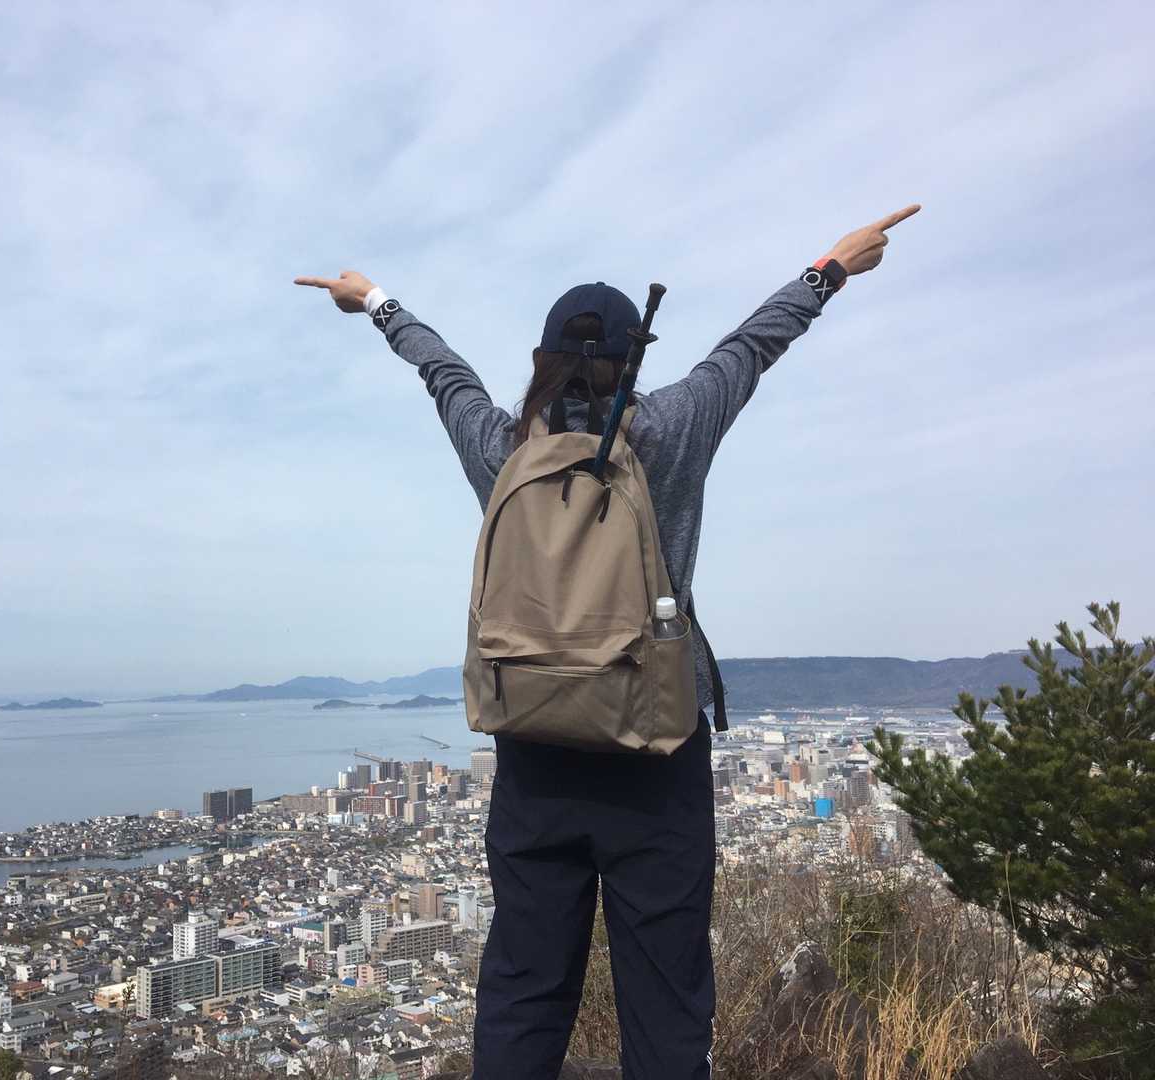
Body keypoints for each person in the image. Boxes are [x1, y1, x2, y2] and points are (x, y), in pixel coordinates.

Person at [296, 203, 920, 1080]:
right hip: (655, 750)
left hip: (534, 749)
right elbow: (750, 348)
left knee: (524, 981)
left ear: (542, 362)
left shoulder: (505, 448)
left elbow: (445, 374)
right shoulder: (669, 431)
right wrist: (832, 268)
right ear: (635, 360)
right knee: (665, 991)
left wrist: (376, 302)